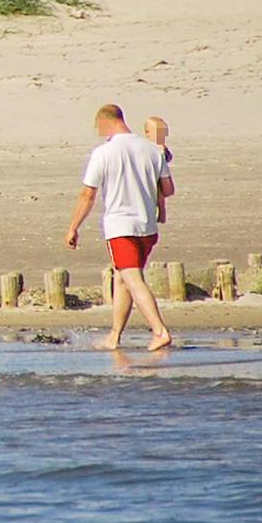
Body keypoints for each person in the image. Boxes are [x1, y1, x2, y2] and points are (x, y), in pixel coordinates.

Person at [64, 103, 175, 351]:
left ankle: (160, 331)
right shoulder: (152, 149)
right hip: (147, 227)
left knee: (132, 279)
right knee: (123, 278)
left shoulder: (103, 153)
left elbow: (87, 195)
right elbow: (168, 189)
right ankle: (114, 336)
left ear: (106, 123)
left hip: (121, 227)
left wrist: (73, 227)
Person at [143, 116, 172, 228]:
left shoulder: (161, 146)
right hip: (152, 174)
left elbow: (169, 157)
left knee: (161, 190)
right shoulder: (147, 146)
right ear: (147, 133)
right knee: (158, 189)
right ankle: (161, 211)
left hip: (160, 174)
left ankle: (162, 211)